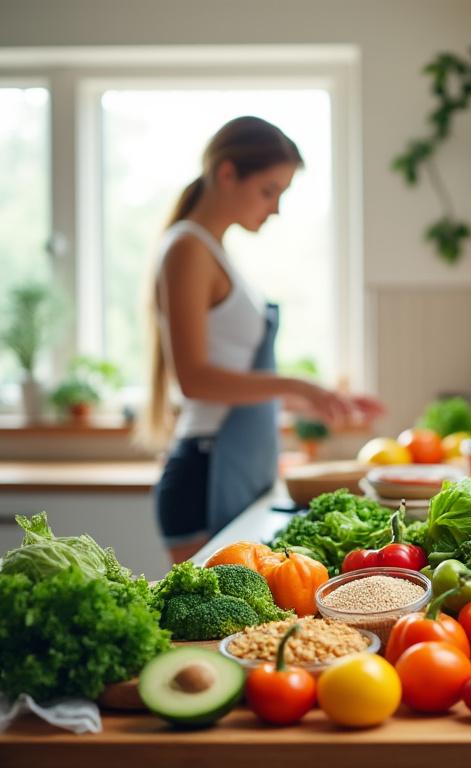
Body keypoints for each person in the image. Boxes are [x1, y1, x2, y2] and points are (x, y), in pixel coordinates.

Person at [135, 116, 384, 563]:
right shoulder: (187, 249)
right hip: (205, 472)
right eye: (269, 191)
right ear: (227, 173)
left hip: (226, 464)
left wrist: (323, 401)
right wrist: (296, 385)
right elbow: (195, 381)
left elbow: (239, 386)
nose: (275, 208)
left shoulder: (211, 251)